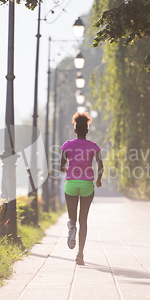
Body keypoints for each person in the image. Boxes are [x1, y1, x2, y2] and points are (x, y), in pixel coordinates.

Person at [60, 112, 103, 265]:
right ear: (87, 131)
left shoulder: (67, 145)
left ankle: (71, 226)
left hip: (71, 183)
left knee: (72, 217)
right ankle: (80, 254)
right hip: (87, 185)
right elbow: (100, 164)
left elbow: (61, 166)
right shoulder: (93, 146)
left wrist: (66, 169)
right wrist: (98, 179)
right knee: (83, 219)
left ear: (75, 130)